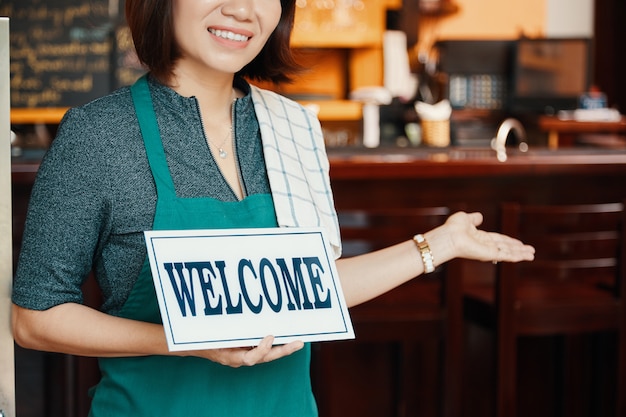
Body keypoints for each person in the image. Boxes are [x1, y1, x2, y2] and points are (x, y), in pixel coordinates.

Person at [11, 0, 535, 415]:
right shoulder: (98, 136)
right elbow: (35, 319)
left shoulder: (293, 129)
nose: (243, 9)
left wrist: (439, 245)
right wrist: (187, 342)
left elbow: (313, 288)